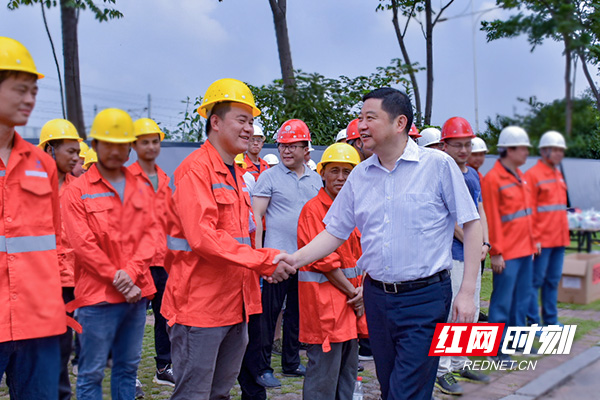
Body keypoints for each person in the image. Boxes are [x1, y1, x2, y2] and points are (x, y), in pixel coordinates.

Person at [274, 87, 482, 400]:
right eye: (360, 118)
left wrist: (466, 292)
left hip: (425, 299)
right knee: (390, 386)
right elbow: (334, 232)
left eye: (370, 118)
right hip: (377, 299)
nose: (361, 126)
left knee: (405, 391)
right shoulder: (360, 176)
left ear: (399, 123)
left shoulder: (437, 166)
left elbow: (471, 223)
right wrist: (293, 260)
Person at [160, 78, 295, 400]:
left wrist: (262, 262)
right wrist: (263, 261)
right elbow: (203, 238)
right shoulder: (196, 170)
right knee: (194, 395)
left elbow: (241, 236)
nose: (249, 129)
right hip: (199, 310)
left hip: (235, 306)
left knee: (219, 394)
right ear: (216, 122)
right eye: (242, 120)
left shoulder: (235, 173)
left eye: (251, 122)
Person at [62, 108, 158, 399]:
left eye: (122, 144)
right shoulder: (77, 191)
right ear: (95, 145)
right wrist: (122, 281)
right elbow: (83, 245)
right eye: (109, 144)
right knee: (91, 373)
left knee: (127, 369)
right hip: (97, 298)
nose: (116, 151)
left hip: (135, 295)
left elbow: (150, 236)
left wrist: (131, 274)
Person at [0, 36, 67, 399]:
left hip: (37, 322)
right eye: (20, 90)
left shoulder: (42, 165)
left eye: (34, 91)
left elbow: (53, 238)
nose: (30, 99)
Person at [252, 118, 323, 387]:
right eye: (283, 146)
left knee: (296, 314)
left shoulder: (316, 179)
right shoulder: (268, 177)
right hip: (276, 261)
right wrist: (260, 258)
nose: (286, 151)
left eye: (293, 146)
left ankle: (291, 363)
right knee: (268, 316)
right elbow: (257, 218)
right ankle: (262, 367)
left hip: (304, 260)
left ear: (306, 149)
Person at [297, 143, 364, 400]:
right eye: (334, 170)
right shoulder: (313, 210)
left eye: (347, 172)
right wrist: (356, 294)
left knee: (346, 376)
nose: (341, 177)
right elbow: (325, 261)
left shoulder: (356, 207)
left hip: (350, 307)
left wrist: (361, 293)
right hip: (326, 308)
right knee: (323, 381)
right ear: (322, 173)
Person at [436, 117, 490, 395]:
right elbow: (451, 218)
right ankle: (442, 369)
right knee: (452, 312)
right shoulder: (443, 173)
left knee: (471, 310)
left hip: (473, 254)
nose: (463, 150)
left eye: (467, 144)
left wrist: (485, 243)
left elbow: (479, 210)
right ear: (444, 146)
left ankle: (461, 361)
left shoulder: (473, 175)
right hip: (453, 254)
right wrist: (472, 241)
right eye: (457, 145)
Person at [481, 126, 537, 362]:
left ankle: (517, 342)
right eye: (523, 149)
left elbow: (528, 213)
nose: (526, 153)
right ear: (509, 150)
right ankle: (496, 349)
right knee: (502, 301)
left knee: (521, 299)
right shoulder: (493, 179)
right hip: (507, 252)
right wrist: (496, 251)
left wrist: (533, 242)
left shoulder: (521, 176)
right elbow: (491, 218)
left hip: (524, 250)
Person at [38, 118, 82, 400]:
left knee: (63, 346)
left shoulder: (81, 188)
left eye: (78, 152)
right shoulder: (32, 189)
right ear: (50, 150)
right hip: (42, 281)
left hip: (75, 281)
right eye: (71, 152)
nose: (76, 158)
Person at [129, 118, 175, 387]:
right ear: (134, 146)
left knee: (164, 316)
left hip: (162, 260)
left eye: (155, 141)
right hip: (138, 263)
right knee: (133, 321)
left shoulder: (164, 179)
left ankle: (164, 367)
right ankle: (130, 374)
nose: (150, 147)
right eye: (144, 142)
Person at [525, 131, 570, 327]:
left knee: (552, 281)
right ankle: (533, 322)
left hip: (559, 239)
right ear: (544, 151)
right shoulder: (532, 176)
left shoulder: (558, 174)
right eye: (555, 150)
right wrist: (534, 239)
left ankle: (551, 321)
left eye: (561, 150)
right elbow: (528, 211)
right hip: (542, 241)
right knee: (535, 282)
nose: (560, 154)